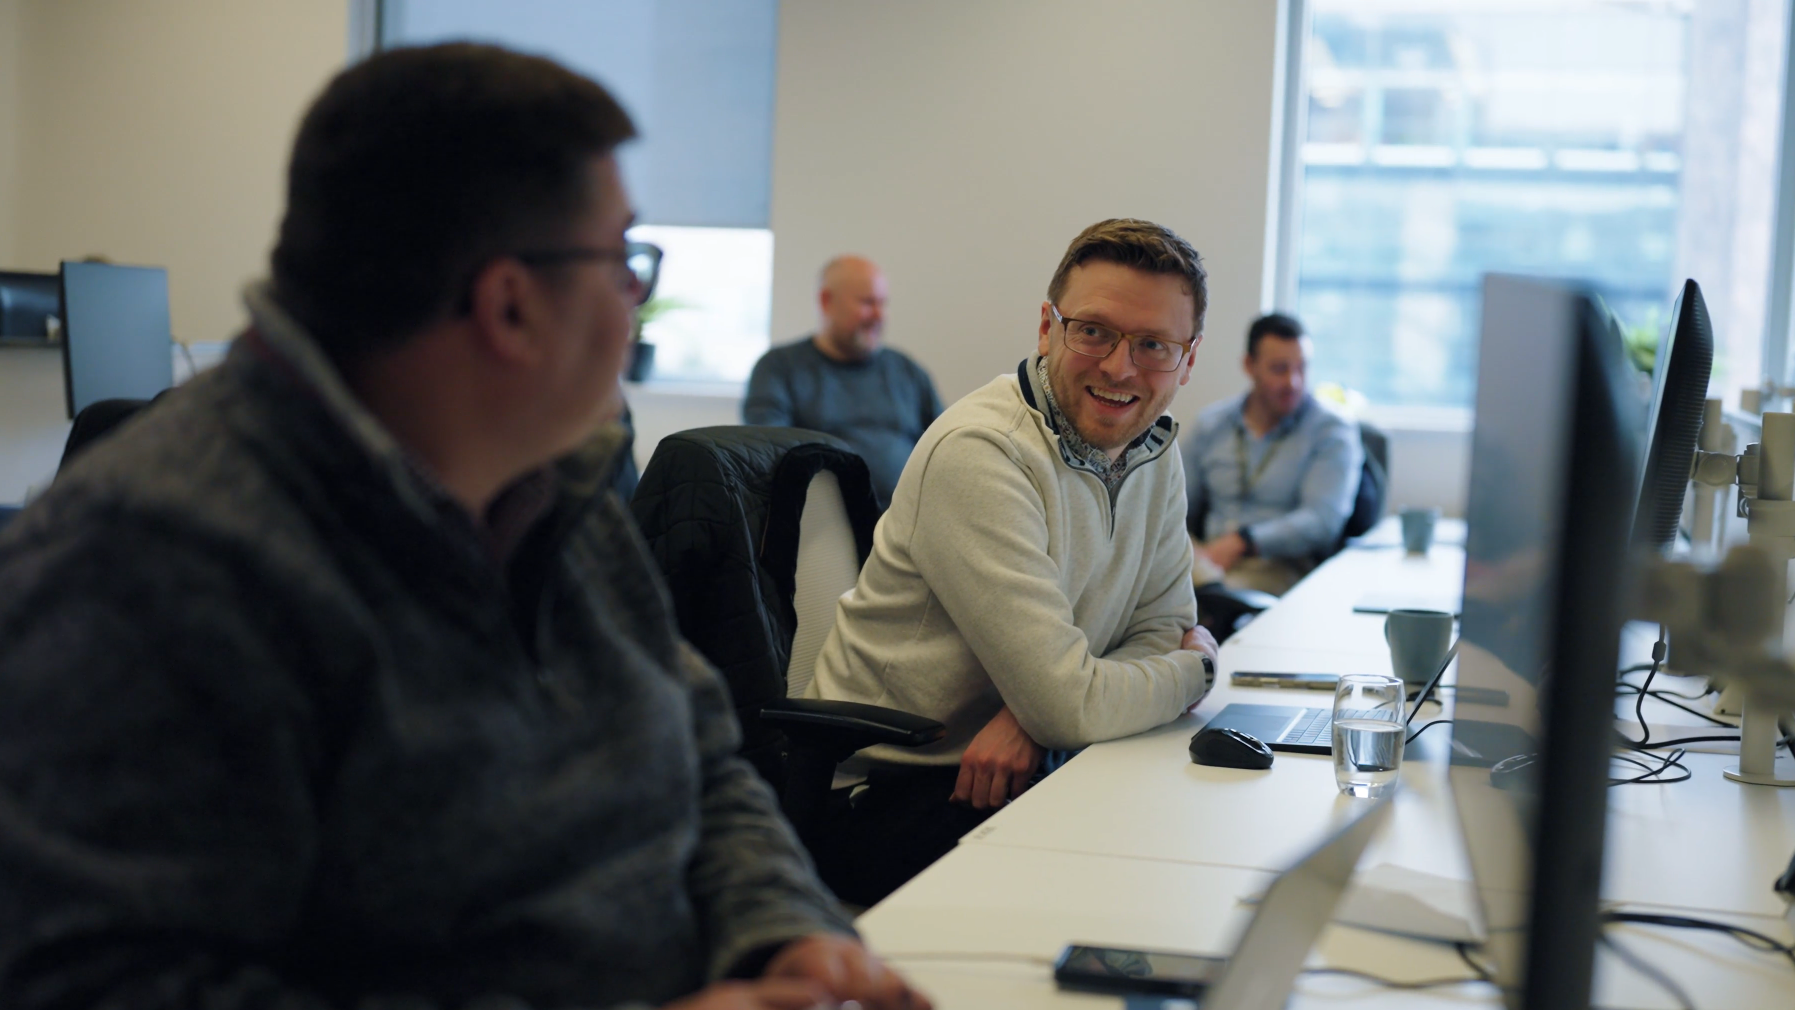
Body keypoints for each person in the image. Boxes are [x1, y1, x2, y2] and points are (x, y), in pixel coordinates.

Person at [0, 44, 927, 1010]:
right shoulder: (149, 566)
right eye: (623, 262)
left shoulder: (553, 500)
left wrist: (780, 933)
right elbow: (107, 985)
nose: (634, 301)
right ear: (509, 305)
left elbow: (697, 757)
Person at [804, 219, 1220, 905]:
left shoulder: (1154, 450)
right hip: (889, 794)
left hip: (1028, 766)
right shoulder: (982, 452)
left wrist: (1043, 710)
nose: (1119, 367)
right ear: (1046, 328)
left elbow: (1154, 629)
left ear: (1188, 358)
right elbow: (1099, 686)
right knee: (1128, 889)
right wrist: (1195, 669)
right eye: (1092, 331)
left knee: (1183, 851)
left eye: (1152, 345)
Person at [1185, 313, 1362, 596]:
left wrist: (1244, 541)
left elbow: (1322, 519)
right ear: (1249, 365)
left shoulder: (1330, 430)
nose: (1293, 382)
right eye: (1279, 369)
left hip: (1276, 568)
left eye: (1302, 368)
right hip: (1204, 559)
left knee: (1212, 598)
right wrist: (1190, 549)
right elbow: (1174, 505)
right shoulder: (1211, 425)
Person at [742, 256, 941, 507]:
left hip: (909, 518)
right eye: (867, 303)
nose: (878, 315)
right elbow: (768, 450)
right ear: (827, 301)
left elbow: (944, 443)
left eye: (883, 303)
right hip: (823, 525)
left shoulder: (906, 371)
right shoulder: (778, 367)